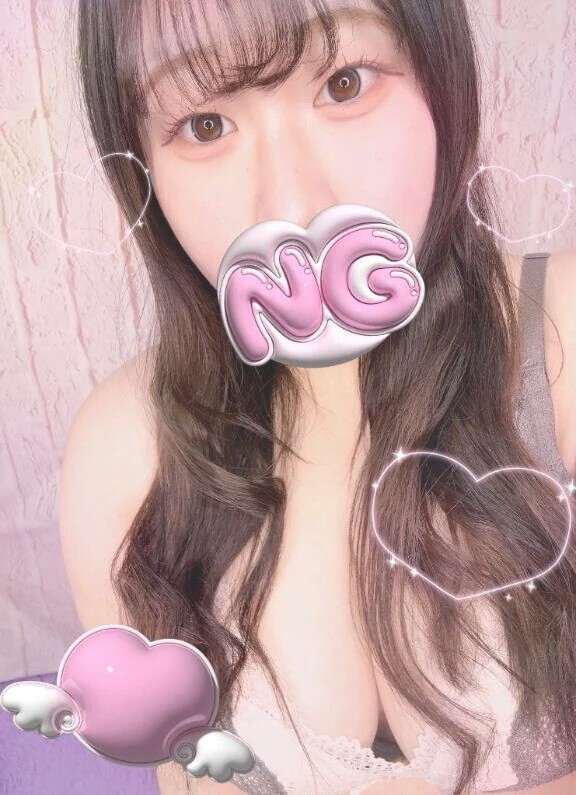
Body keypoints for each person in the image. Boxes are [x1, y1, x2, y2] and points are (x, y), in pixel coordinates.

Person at [60, 0, 576, 793]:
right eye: (205, 125)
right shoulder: (121, 460)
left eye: (344, 83)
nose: (293, 204)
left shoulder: (561, 341)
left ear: (439, 75)